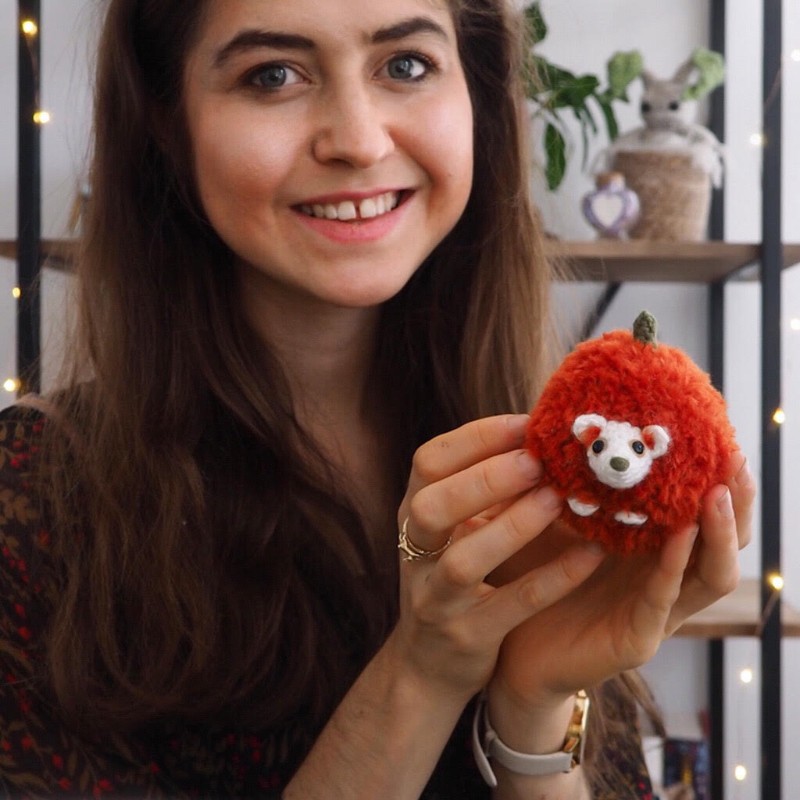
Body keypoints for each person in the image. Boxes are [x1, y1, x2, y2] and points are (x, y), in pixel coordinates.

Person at [0, 0, 753, 797]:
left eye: (405, 64)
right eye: (273, 74)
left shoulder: (545, 472)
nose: (358, 141)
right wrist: (421, 675)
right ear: (165, 122)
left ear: (478, 97)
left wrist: (534, 701)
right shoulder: (34, 497)